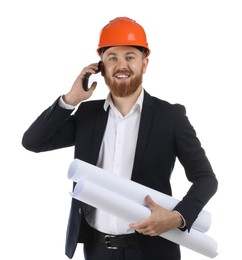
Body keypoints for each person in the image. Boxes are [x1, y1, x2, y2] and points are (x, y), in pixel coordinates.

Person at [22, 17, 218, 260]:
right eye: (112, 57)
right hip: (97, 249)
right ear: (101, 67)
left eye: (130, 57)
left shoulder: (170, 117)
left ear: (144, 64)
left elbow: (206, 178)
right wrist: (70, 99)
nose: (121, 64)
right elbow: (33, 142)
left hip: (153, 249)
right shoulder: (88, 116)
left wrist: (178, 217)